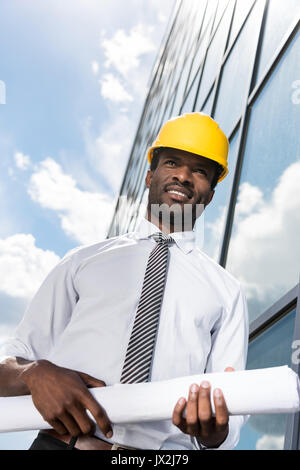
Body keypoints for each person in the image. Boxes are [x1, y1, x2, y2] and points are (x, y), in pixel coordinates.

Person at [0, 112, 249, 450]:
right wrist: (34, 372)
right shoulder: (82, 262)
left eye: (200, 171)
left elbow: (229, 422)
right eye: (172, 162)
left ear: (210, 194)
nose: (183, 176)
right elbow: (12, 362)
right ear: (149, 176)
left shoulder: (227, 292)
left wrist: (215, 429)